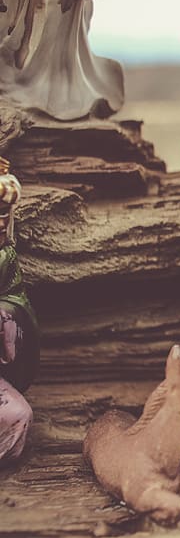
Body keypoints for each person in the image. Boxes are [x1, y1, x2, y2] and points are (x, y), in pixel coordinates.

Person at [0, 162, 39, 465]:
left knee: (18, 415)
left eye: (5, 213)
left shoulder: (5, 257)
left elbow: (16, 300)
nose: (2, 222)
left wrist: (7, 316)